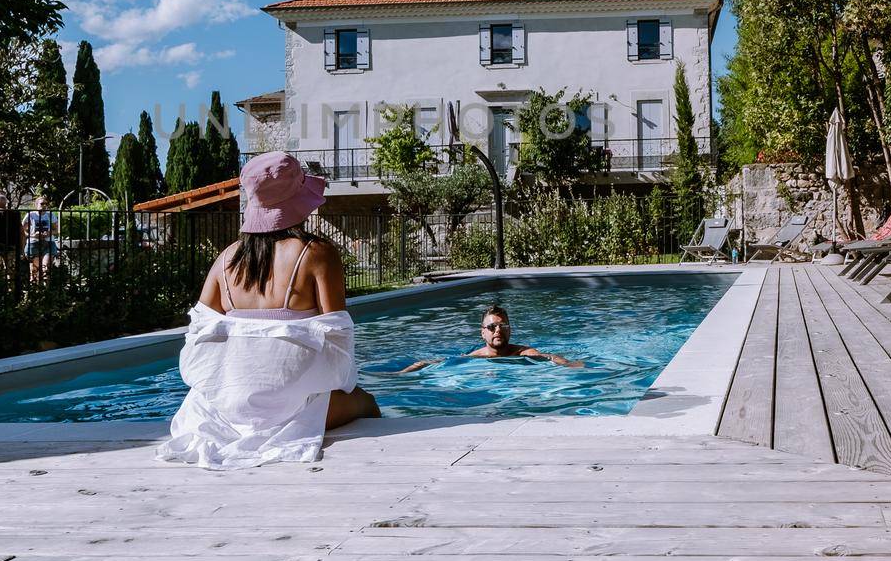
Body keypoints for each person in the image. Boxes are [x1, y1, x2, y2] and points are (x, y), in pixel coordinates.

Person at [157, 151, 380, 469]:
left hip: (226, 412)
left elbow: (200, 338)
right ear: (299, 201)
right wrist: (340, 389)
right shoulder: (316, 254)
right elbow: (338, 342)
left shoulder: (226, 259)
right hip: (292, 408)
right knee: (367, 404)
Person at [400, 303, 582, 372]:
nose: (497, 330)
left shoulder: (523, 353)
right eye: (492, 327)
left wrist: (569, 364)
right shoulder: (476, 356)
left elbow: (549, 357)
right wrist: (405, 372)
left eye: (503, 326)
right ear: (482, 332)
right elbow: (439, 362)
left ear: (510, 330)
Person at [23, 193, 59, 285]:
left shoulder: (50, 215)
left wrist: (48, 233)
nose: (44, 206)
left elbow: (56, 230)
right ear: (36, 205)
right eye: (42, 204)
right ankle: (35, 291)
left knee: (46, 267)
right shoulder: (30, 215)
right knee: (34, 269)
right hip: (34, 243)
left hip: (48, 243)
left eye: (45, 204)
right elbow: (23, 231)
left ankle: (47, 290)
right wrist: (33, 235)